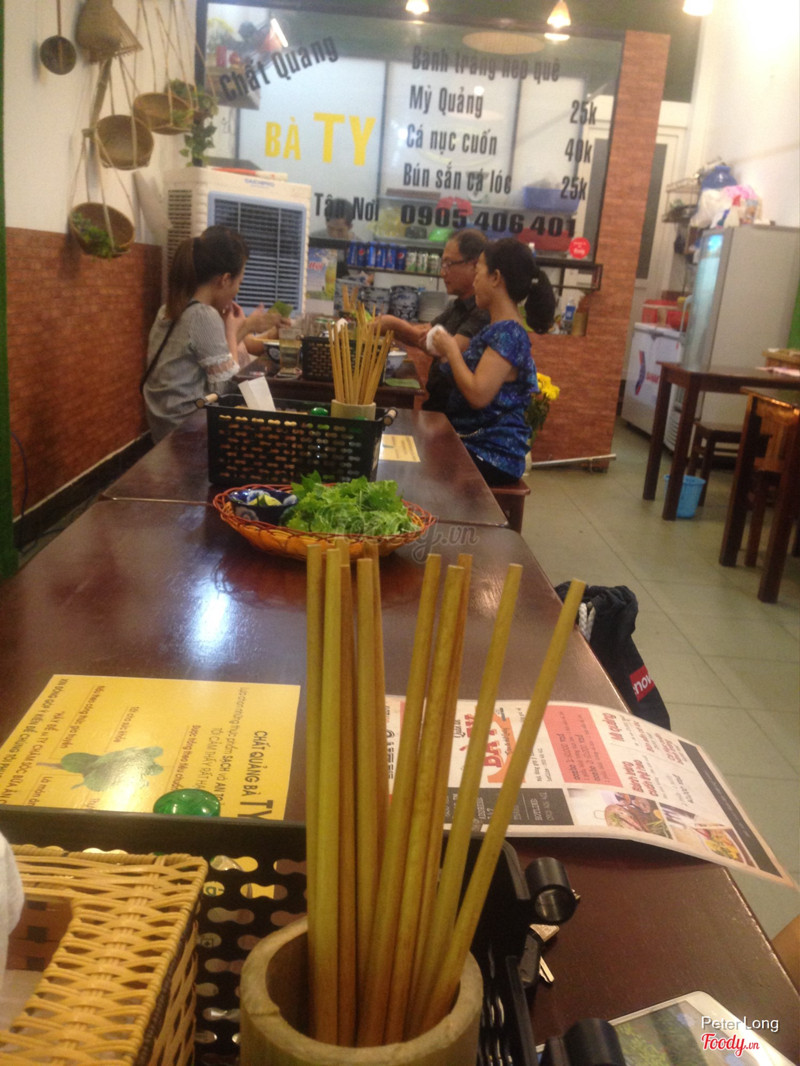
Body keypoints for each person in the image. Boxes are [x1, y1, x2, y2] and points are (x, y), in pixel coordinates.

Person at [143, 226, 288, 442]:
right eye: (239, 283)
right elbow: (227, 390)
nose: (237, 290)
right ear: (225, 279)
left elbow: (215, 365)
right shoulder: (203, 315)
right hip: (188, 432)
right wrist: (232, 330)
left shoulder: (169, 308)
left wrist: (240, 328)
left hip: (162, 427)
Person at [429, 238, 555, 486]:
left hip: (492, 454)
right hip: (474, 442)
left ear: (496, 278)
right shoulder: (496, 328)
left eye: (478, 273)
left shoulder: (509, 333)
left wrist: (452, 350)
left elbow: (478, 394)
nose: (474, 282)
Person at [377, 228, 489, 411]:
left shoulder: (483, 312)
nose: (443, 273)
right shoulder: (456, 305)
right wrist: (391, 326)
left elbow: (447, 348)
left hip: (456, 415)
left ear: (474, 265)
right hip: (437, 406)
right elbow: (424, 334)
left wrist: (393, 324)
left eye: (448, 264)